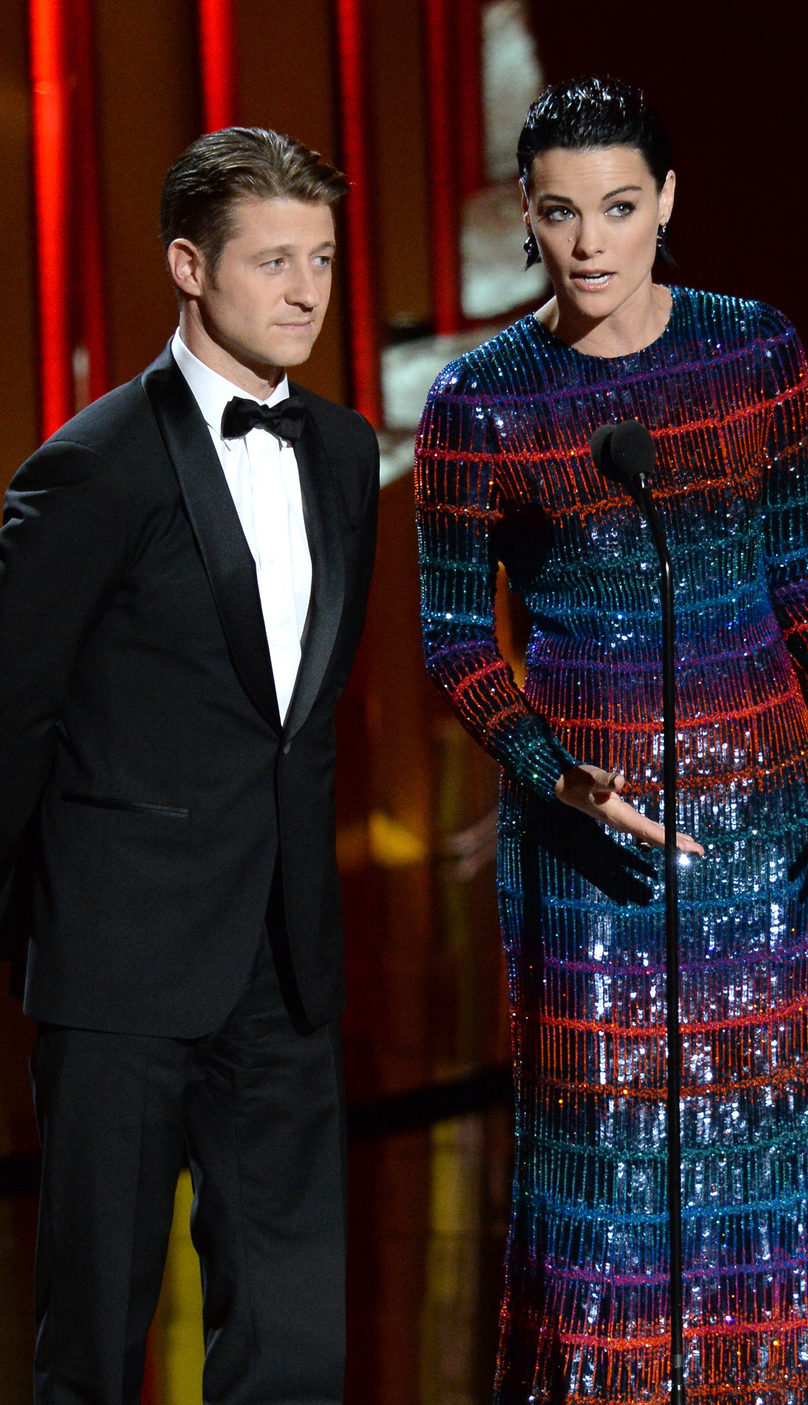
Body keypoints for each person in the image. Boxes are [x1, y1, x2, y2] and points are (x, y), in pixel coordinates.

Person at [415, 78, 808, 1404]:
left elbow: (802, 568)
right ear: (528, 217)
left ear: (668, 205)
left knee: (763, 1169)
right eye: (564, 211)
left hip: (766, 841)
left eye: (621, 207)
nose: (593, 240)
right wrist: (550, 769)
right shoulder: (483, 400)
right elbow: (455, 639)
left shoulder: (753, 352)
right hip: (593, 859)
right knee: (612, 1196)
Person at [0, 127, 378, 1404]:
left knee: (294, 1342)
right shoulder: (90, 469)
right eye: (273, 260)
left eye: (320, 258)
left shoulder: (341, 454)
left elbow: (298, 718)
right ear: (187, 265)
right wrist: (34, 941)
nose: (305, 290)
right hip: (119, 967)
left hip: (283, 965)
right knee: (96, 1340)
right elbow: (10, 718)